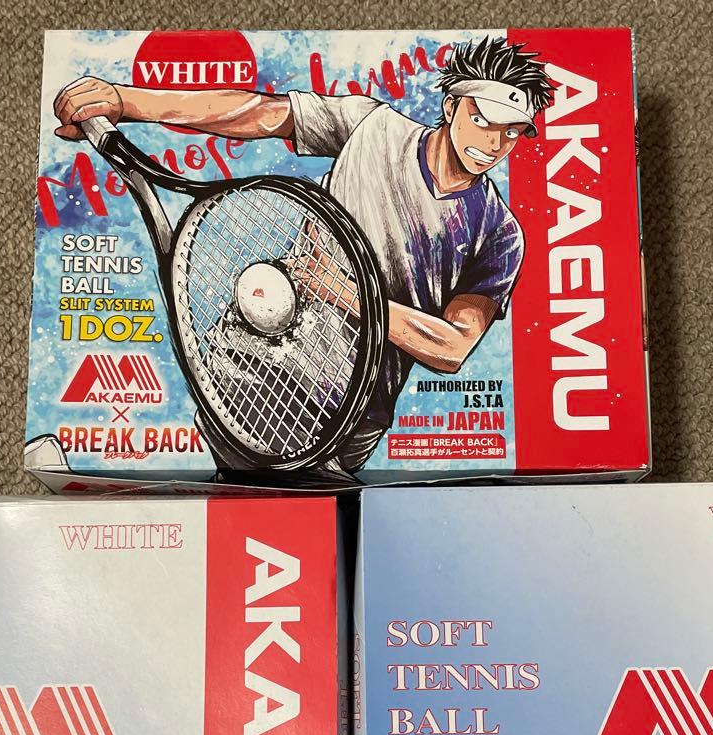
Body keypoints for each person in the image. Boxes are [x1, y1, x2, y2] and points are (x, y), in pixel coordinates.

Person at [54, 35, 554, 471]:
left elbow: (452, 347)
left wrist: (342, 291)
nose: (496, 142)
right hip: (249, 358)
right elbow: (259, 112)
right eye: (483, 120)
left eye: (512, 131)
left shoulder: (500, 232)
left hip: (349, 417)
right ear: (451, 107)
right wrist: (125, 100)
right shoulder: (370, 126)